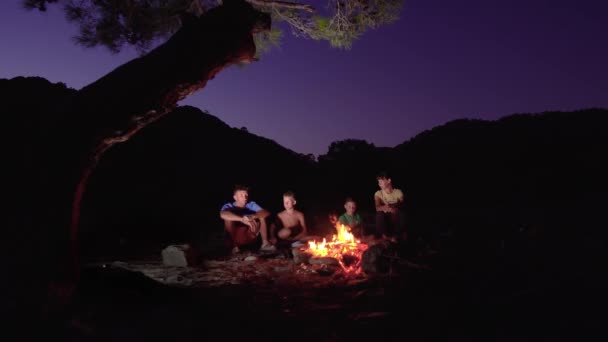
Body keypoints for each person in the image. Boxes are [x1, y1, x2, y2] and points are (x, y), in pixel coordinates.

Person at [220, 185, 276, 254]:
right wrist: (242, 219)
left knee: (261, 215)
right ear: (235, 197)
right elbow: (222, 214)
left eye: (246, 195)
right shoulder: (229, 206)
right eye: (241, 195)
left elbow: (266, 212)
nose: (245, 197)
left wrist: (252, 216)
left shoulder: (251, 204)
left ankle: (265, 243)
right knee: (227, 219)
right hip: (236, 237)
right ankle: (234, 246)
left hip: (249, 235)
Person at [374, 171, 406, 242]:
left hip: (396, 215)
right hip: (386, 216)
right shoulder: (378, 193)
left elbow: (402, 204)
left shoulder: (398, 192)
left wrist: (393, 207)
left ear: (389, 180)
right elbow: (377, 207)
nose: (379, 184)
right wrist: (387, 208)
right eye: (378, 182)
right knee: (379, 214)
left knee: (401, 213)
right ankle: (384, 236)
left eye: (381, 181)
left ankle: (397, 235)